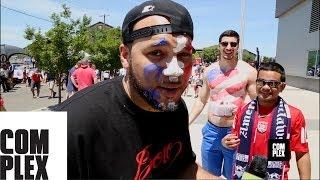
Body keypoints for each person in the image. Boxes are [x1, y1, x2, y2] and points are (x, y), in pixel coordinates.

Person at [52, 0, 219, 178]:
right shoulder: (64, 126)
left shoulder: (174, 108)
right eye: (156, 53)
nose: (175, 71)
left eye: (184, 54)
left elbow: (183, 168)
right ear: (125, 56)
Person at [222, 62, 311, 179]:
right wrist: (225, 142)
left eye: (272, 84)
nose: (265, 87)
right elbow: (233, 139)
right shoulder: (243, 110)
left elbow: (302, 153)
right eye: (261, 82)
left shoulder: (293, 115)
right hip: (244, 175)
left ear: (282, 87)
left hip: (275, 175)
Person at [189, 30, 257, 179]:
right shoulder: (209, 71)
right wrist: (186, 122)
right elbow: (201, 100)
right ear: (219, 45)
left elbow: (256, 103)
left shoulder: (248, 71)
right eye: (224, 43)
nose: (228, 47)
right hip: (211, 132)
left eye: (233, 44)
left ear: (238, 46)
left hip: (234, 133)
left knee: (235, 176)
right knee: (210, 175)